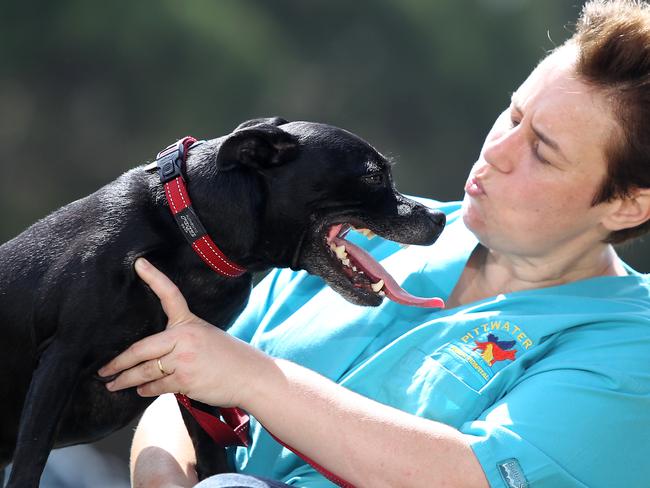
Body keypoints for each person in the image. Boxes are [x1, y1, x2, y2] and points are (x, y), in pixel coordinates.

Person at [99, 1, 650, 486]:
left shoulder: (629, 349)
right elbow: (196, 374)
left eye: (543, 152)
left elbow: (467, 477)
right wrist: (161, 475)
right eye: (512, 114)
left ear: (629, 203)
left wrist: (252, 377)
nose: (498, 151)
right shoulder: (362, 227)